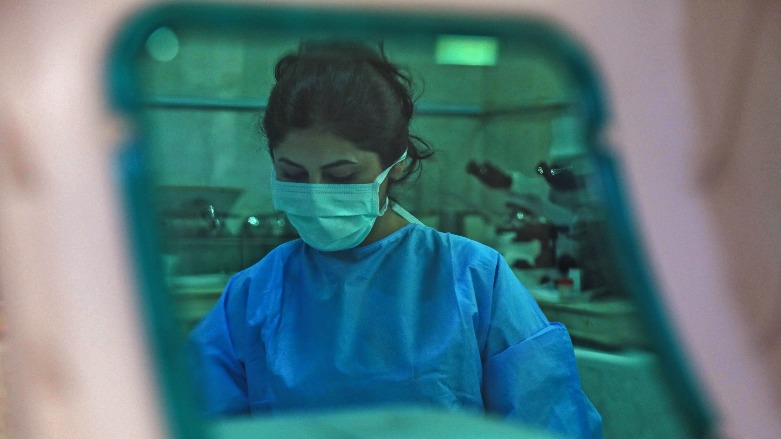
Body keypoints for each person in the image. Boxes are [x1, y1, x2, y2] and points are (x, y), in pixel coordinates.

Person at [186, 40, 602, 439]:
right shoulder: (252, 296)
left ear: (396, 164)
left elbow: (549, 422)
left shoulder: (474, 279)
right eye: (293, 175)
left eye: (341, 176)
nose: (315, 193)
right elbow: (188, 418)